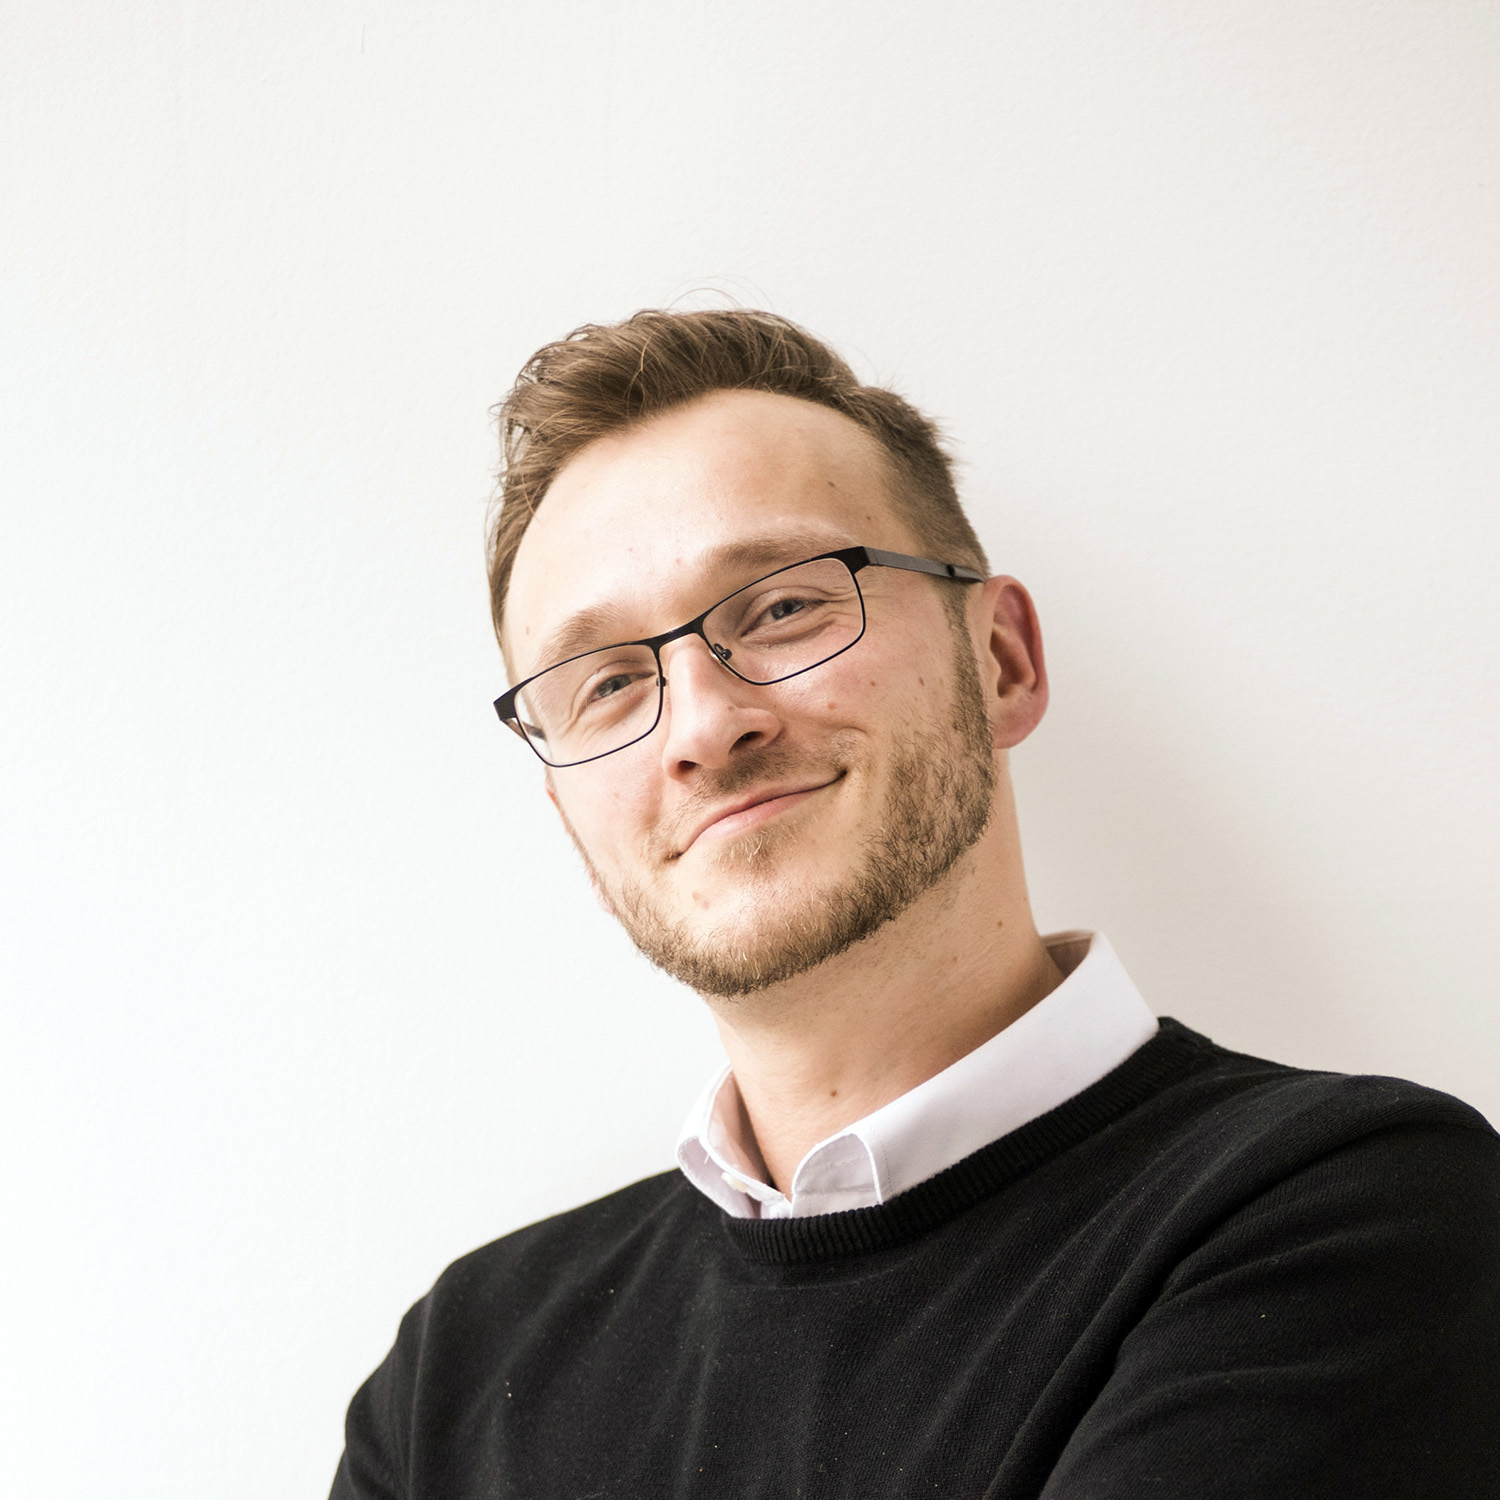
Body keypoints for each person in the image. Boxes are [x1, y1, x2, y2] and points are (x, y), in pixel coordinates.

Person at [330, 310, 1500, 1499]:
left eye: (782, 607)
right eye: (609, 684)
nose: (702, 726)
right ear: (570, 814)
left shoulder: (1351, 1209)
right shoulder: (456, 1373)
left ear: (1002, 661)